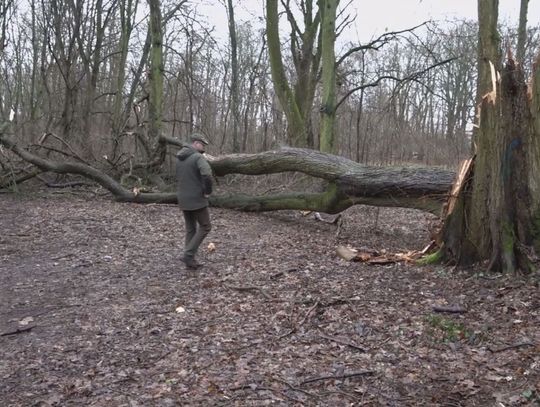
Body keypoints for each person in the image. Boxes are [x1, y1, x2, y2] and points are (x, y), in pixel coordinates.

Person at [175, 133, 213, 269]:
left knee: (191, 229)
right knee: (205, 226)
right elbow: (207, 175)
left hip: (182, 198)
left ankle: (190, 261)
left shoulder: (179, 158)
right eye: (202, 145)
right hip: (196, 198)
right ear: (196, 143)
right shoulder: (197, 157)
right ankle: (188, 255)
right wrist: (207, 191)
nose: (203, 148)